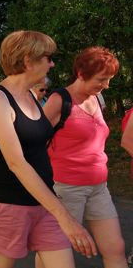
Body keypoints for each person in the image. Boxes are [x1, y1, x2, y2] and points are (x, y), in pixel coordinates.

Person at [0, 30, 96, 268]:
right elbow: (16, 163)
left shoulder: (31, 96)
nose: (52, 64)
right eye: (48, 58)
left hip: (44, 201)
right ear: (27, 61)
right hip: (8, 206)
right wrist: (64, 215)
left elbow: (37, 144)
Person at [41, 46, 126, 268]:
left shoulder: (97, 98)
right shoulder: (60, 100)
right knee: (54, 256)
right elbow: (34, 142)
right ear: (81, 74)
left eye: (109, 79)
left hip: (99, 188)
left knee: (115, 248)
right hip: (66, 190)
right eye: (102, 79)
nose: (106, 85)